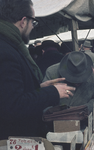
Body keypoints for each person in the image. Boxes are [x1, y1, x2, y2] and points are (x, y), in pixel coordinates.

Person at [0, 0, 74, 140]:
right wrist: (53, 92)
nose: (33, 27)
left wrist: (39, 87)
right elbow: (13, 106)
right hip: (11, 139)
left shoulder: (9, 45)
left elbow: (7, 92)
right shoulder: (6, 51)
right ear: (23, 21)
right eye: (33, 22)